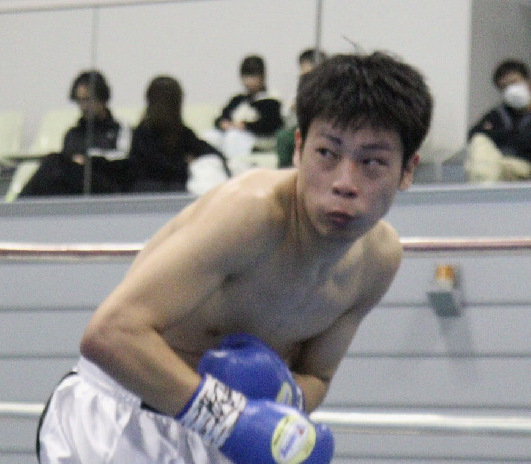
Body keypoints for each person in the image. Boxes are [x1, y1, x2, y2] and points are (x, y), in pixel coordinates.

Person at [37, 51, 433, 464]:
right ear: (299, 148)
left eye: (372, 162)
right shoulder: (251, 212)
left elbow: (317, 375)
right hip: (124, 418)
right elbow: (109, 334)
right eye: (327, 154)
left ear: (407, 169)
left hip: (219, 430)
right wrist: (229, 422)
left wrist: (285, 398)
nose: (344, 183)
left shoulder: (378, 261)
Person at [19, 70, 131, 197]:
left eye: (88, 100)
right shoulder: (73, 134)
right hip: (76, 189)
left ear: (102, 98)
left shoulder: (120, 129)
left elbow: (123, 163)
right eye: (80, 101)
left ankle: (18, 205)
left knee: (53, 162)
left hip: (106, 186)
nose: (84, 106)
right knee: (52, 166)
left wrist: (88, 161)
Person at [128, 75, 228, 193]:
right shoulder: (147, 134)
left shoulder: (144, 133)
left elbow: (210, 152)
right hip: (153, 191)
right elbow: (159, 168)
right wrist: (186, 164)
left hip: (149, 191)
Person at [465, 58, 531, 182]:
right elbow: (474, 134)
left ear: (528, 82)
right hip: (502, 164)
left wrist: (504, 137)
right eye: (504, 87)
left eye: (514, 83)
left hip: (526, 165)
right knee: (480, 141)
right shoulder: (498, 115)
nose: (511, 90)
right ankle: (482, 187)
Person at [207, 54, 284, 162]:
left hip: (256, 138)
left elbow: (271, 124)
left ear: (263, 77)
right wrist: (223, 123)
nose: (249, 82)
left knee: (233, 136)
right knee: (210, 136)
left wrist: (245, 126)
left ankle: (231, 167)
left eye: (253, 77)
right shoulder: (238, 99)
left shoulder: (271, 100)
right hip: (231, 132)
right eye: (245, 77)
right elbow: (221, 117)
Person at [276, 48, 326, 168]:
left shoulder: (329, 90)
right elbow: (287, 116)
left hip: (322, 128)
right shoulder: (299, 91)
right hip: (302, 127)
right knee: (284, 137)